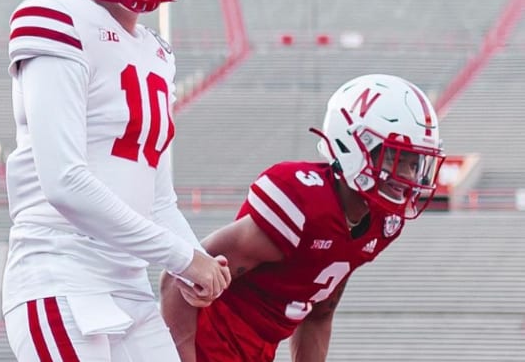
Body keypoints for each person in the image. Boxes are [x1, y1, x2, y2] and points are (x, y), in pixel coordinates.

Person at [1, 0, 231, 362]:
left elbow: (159, 199)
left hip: (129, 287)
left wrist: (194, 263)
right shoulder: (57, 16)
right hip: (60, 277)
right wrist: (182, 257)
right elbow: (64, 181)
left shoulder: (156, 51)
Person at [160, 73, 446, 362]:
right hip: (208, 341)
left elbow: (321, 314)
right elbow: (177, 275)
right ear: (354, 145)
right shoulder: (306, 204)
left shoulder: (380, 223)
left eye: (414, 163)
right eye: (394, 158)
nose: (407, 176)